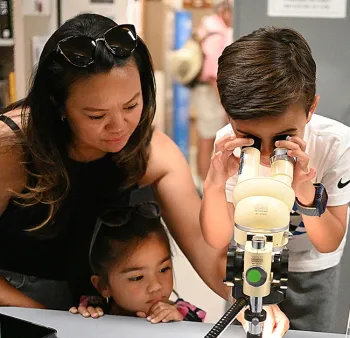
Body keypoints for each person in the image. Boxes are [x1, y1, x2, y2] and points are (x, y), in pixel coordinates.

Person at [0, 13, 287, 336]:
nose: (119, 126)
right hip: (13, 306)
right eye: (96, 115)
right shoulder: (10, 149)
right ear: (58, 106)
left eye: (131, 105)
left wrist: (252, 300)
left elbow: (207, 251)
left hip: (89, 307)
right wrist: (46, 319)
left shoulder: (151, 152)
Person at [200, 26, 350, 333]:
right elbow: (216, 238)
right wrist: (215, 185)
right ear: (228, 112)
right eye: (250, 137)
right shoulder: (228, 144)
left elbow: (329, 241)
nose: (266, 152)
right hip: (248, 262)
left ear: (311, 109)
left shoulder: (336, 145)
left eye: (284, 137)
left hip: (311, 272)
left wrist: (305, 192)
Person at [69, 202, 206, 323]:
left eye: (164, 269)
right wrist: (85, 324)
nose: (156, 286)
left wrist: (178, 327)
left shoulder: (184, 316)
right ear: (103, 286)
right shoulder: (92, 311)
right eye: (137, 277)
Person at [191, 0, 233, 188]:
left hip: (206, 92)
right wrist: (225, 102)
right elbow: (212, 74)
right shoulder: (217, 32)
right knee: (208, 139)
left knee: (206, 138)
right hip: (210, 93)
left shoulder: (208, 26)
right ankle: (203, 186)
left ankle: (203, 184)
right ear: (224, 11)